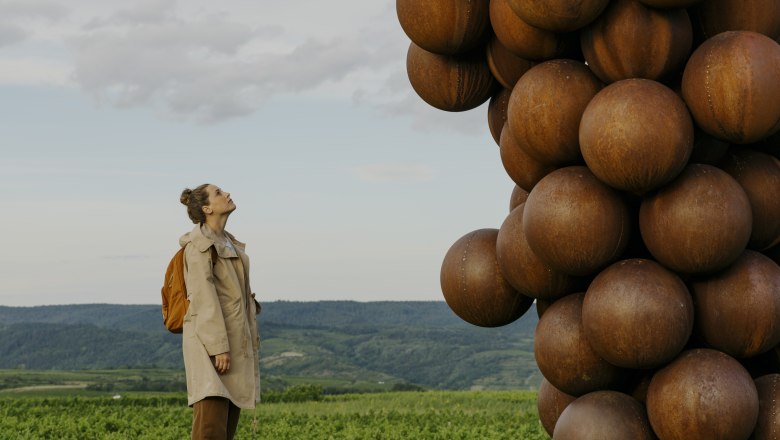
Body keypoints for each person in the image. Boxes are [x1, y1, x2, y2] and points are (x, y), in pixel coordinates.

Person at [179, 183, 260, 440]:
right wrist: (218, 347)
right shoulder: (199, 246)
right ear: (207, 208)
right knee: (210, 431)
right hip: (212, 348)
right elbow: (203, 298)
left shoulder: (228, 243)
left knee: (225, 431)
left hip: (233, 345)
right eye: (218, 193)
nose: (227, 194)